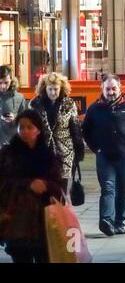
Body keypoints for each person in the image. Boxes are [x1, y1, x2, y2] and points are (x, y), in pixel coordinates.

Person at [82, 74, 125, 236]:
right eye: (107, 89)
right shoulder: (94, 108)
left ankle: (119, 222)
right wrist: (95, 147)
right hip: (104, 156)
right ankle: (106, 220)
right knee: (108, 188)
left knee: (122, 190)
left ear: (120, 88)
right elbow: (85, 130)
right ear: (101, 89)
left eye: (114, 89)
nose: (111, 92)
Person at [0, 109, 64, 263]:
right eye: (21, 127)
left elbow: (58, 185)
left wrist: (46, 185)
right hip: (17, 220)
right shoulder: (8, 154)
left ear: (38, 130)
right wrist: (28, 184)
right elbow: (3, 182)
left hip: (44, 219)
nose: (24, 131)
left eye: (29, 127)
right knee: (21, 257)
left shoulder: (48, 155)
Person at [29, 73, 84, 191]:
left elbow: (75, 128)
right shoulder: (35, 104)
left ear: (61, 88)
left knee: (61, 190)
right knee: (43, 190)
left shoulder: (68, 104)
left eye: (56, 89)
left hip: (64, 153)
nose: (53, 93)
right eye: (50, 89)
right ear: (44, 88)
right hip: (41, 152)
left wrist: (79, 150)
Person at [0, 65, 26, 148]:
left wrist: (15, 119)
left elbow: (26, 121)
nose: (3, 86)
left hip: (12, 144)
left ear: (11, 80)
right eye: (0, 83)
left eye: (6, 82)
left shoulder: (19, 98)